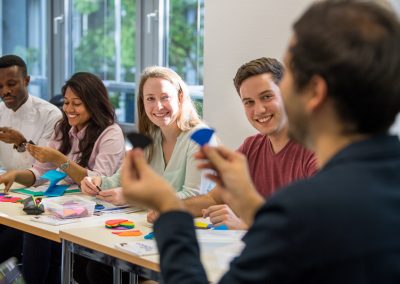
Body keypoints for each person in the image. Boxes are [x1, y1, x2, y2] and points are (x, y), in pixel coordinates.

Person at [121, 1, 400, 283]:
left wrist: (169, 209)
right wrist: (252, 205)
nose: (260, 109)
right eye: (249, 101)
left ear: (314, 91)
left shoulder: (308, 206)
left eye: (289, 75)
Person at [78, 66, 216, 284]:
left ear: (180, 97)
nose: (158, 106)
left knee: (99, 270)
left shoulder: (201, 138)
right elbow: (121, 180)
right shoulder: (150, 136)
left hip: (187, 236)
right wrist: (96, 182)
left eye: (165, 97)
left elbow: (193, 197)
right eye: (150, 99)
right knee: (89, 264)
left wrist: (135, 196)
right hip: (148, 229)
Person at [148, 57, 317, 229]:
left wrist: (247, 224)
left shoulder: (315, 151)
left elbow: (319, 225)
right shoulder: (251, 147)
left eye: (266, 97)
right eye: (249, 102)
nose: (259, 110)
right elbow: (213, 198)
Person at [0, 72, 125, 284]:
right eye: (66, 102)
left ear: (94, 104)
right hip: (60, 205)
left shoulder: (111, 133)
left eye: (76, 103)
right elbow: (40, 171)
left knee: (33, 238)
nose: (68, 109)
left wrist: (60, 159)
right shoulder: (63, 128)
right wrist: (16, 176)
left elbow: (96, 182)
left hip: (94, 210)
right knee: (32, 231)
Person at [0, 55, 62, 264]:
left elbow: (45, 167)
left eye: (11, 84)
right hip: (8, 194)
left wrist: (21, 143)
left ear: (26, 81)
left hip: (41, 196)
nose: (5, 91)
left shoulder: (51, 115)